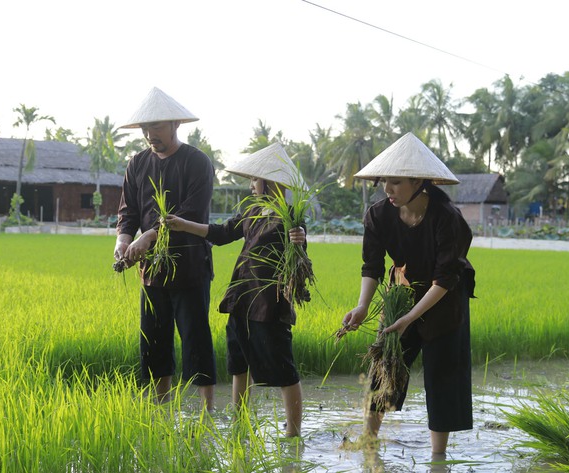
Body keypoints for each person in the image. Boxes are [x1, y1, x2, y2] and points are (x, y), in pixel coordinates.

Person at [341, 132, 475, 454]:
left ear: (420, 182)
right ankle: (369, 441)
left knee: (441, 375)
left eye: (396, 182)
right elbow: (371, 267)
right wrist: (362, 307)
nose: (388, 189)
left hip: (443, 301)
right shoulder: (378, 215)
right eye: (385, 181)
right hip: (400, 296)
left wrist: (412, 318)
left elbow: (444, 278)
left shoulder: (447, 218)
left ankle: (437, 456)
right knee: (384, 366)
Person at [165, 142, 308, 437]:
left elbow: (299, 249)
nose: (252, 185)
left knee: (284, 367)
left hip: (270, 302)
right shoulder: (252, 211)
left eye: (255, 180)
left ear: (272, 183)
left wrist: (300, 237)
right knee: (237, 361)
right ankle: (239, 422)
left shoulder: (291, 216)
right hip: (242, 297)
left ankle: (293, 434)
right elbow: (220, 233)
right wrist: (182, 224)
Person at [114, 86, 217, 410]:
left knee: (195, 339)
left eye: (156, 127)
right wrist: (123, 241)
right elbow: (128, 211)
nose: (149, 135)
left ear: (175, 124)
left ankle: (207, 411)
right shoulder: (137, 164)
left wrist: (149, 236)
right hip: (152, 272)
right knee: (154, 341)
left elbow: (192, 212)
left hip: (189, 267)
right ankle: (161, 407)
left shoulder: (197, 162)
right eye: (145, 129)